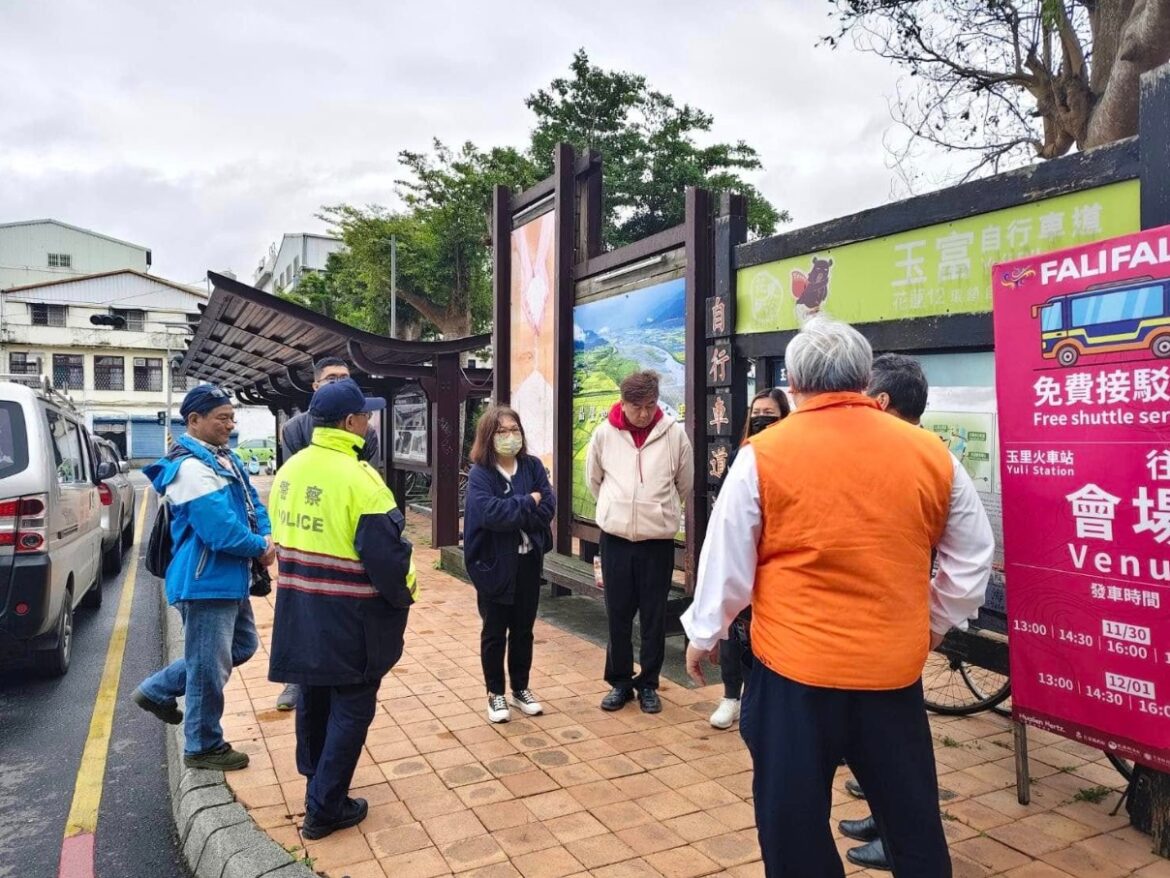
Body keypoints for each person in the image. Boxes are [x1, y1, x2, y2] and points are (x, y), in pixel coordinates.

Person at [682, 318, 994, 878]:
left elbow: (727, 560)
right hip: (892, 675)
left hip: (795, 674)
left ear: (795, 383)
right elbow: (972, 557)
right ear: (861, 377)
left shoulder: (764, 454)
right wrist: (934, 625)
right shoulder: (931, 455)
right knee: (912, 821)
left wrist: (705, 634)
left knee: (793, 825)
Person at [268, 378, 417, 840]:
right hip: (350, 618)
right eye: (366, 416)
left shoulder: (291, 470)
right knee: (353, 707)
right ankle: (326, 806)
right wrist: (406, 592)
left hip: (298, 608)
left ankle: (316, 781)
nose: (370, 423)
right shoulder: (361, 478)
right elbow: (388, 561)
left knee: (314, 698)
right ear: (351, 422)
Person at [132, 384, 275, 771]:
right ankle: (202, 745)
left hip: (228, 579)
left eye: (232, 417)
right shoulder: (190, 468)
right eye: (221, 418)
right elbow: (221, 532)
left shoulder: (224, 459)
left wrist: (265, 536)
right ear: (194, 421)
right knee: (207, 668)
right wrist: (258, 547)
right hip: (204, 582)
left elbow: (253, 505)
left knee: (240, 647)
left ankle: (157, 689)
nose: (230, 424)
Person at [275, 356, 380, 713]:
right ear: (315, 386)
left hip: (343, 531)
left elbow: (367, 477)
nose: (339, 383)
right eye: (332, 378)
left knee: (339, 615)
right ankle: (297, 681)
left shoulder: (369, 433)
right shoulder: (293, 430)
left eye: (345, 378)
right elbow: (296, 478)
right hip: (307, 533)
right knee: (301, 610)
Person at [587, 370, 693, 714]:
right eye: (637, 407)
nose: (645, 413)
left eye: (650, 405)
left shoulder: (674, 435)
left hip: (656, 543)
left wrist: (657, 511)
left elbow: (684, 484)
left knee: (653, 616)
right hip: (615, 540)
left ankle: (648, 683)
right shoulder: (604, 434)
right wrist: (615, 508)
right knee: (617, 615)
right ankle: (619, 682)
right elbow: (594, 480)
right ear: (623, 403)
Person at [463, 405, 556, 723]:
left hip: (528, 562)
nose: (509, 436)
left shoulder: (532, 466)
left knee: (523, 630)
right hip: (493, 564)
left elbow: (549, 507)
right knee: (494, 631)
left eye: (514, 429)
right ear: (489, 436)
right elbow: (490, 514)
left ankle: (520, 688)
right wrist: (528, 502)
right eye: (502, 431)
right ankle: (495, 694)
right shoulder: (481, 474)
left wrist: (522, 508)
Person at [709, 387, 791, 731]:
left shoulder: (793, 457)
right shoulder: (739, 456)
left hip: (777, 566)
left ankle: (764, 700)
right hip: (744, 559)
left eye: (770, 414)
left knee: (766, 634)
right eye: (757, 413)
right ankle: (731, 695)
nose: (762, 419)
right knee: (733, 626)